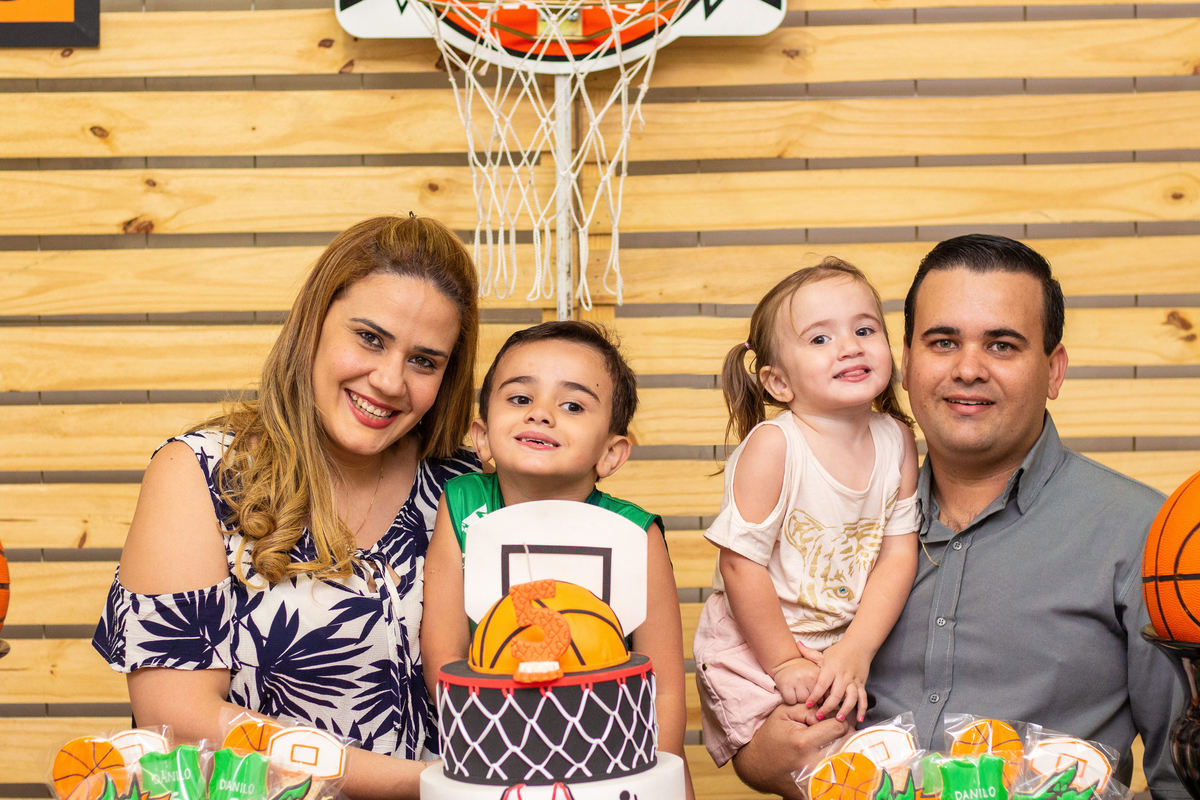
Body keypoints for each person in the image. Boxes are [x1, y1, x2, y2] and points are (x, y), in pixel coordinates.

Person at [733, 233, 1189, 799]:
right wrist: (760, 760)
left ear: (1053, 370)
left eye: (1002, 345)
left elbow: (1185, 781)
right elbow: (753, 690)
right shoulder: (827, 523)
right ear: (905, 362)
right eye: (943, 341)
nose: (968, 369)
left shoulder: (1146, 537)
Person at [92, 215, 481, 799]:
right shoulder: (199, 474)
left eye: (424, 360)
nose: (389, 379)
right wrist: (426, 784)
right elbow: (179, 720)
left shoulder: (466, 491)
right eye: (370, 338)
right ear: (313, 325)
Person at [421, 320, 695, 800]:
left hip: (611, 756)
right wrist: (490, 748)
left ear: (611, 453)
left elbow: (665, 688)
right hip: (497, 750)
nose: (541, 415)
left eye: (572, 405)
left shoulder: (636, 531)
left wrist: (650, 776)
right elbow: (444, 657)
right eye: (520, 399)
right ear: (481, 437)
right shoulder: (460, 504)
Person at [693, 258, 919, 772]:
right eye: (820, 340)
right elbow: (739, 566)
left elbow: (897, 554)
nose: (849, 346)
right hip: (758, 644)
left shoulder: (898, 440)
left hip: (843, 639)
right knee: (816, 769)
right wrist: (784, 661)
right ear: (778, 382)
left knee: (876, 768)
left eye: (865, 329)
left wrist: (857, 649)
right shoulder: (775, 448)